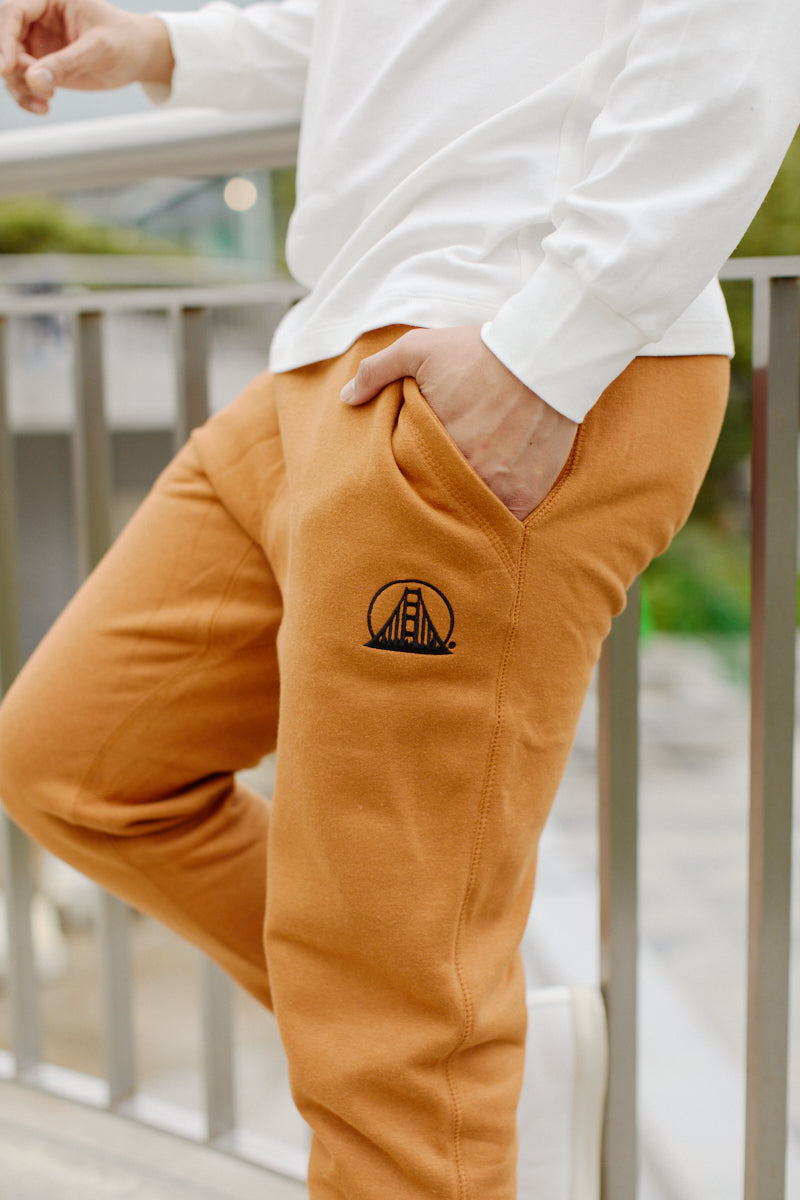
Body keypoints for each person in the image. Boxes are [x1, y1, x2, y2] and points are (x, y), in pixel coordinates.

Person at [0, 2, 798, 1196]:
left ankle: (435, 1044)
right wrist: (161, 45)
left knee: (387, 1013)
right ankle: (456, 1035)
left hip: (493, 347)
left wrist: (549, 347)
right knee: (73, 758)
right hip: (322, 362)